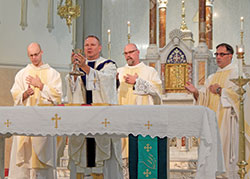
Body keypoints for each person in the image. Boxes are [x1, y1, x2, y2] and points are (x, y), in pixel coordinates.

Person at [65, 35, 123, 179]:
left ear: (99, 48)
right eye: (86, 45)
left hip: (101, 118)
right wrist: (74, 71)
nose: (89, 47)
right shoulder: (77, 66)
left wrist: (84, 67)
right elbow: (71, 89)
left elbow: (108, 82)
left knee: (102, 155)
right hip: (82, 119)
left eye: (92, 44)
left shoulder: (109, 65)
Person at [185, 43, 239, 178]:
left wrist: (220, 90)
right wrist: (196, 92)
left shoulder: (237, 74)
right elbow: (203, 99)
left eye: (222, 54)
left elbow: (240, 96)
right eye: (217, 54)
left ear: (230, 56)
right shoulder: (211, 78)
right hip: (212, 122)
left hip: (228, 121)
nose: (218, 57)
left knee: (225, 155)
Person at [9, 42, 62, 179]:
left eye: (36, 54)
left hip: (43, 124)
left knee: (42, 165)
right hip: (25, 124)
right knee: (25, 163)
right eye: (31, 55)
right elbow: (15, 94)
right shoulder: (22, 74)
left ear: (41, 53)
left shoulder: (52, 74)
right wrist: (25, 94)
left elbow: (57, 97)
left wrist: (41, 86)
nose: (34, 58)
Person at [117, 43, 166, 179]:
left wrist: (137, 81)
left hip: (142, 122)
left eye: (131, 52)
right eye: (125, 53)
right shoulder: (119, 72)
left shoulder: (150, 71)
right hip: (123, 121)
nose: (128, 55)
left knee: (140, 159)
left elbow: (157, 92)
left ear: (138, 52)